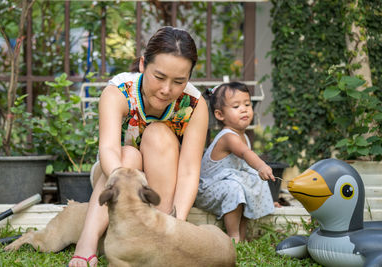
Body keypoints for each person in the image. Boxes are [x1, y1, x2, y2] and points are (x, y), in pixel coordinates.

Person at [69, 26, 209, 267]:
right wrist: (122, 182)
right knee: (130, 155)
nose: (167, 89)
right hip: (113, 178)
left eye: (179, 81)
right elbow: (109, 151)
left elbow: (188, 170)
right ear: (143, 65)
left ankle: (161, 234)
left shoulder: (194, 105)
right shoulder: (119, 92)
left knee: (158, 134)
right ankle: (87, 243)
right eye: (159, 77)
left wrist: (178, 226)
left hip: (161, 187)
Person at [194, 82, 275, 243]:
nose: (244, 109)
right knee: (235, 187)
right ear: (220, 115)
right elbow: (246, 154)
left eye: (247, 104)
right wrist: (261, 166)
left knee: (249, 181)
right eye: (236, 106)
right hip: (207, 191)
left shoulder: (243, 137)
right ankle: (233, 236)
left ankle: (242, 239)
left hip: (226, 186)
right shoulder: (228, 137)